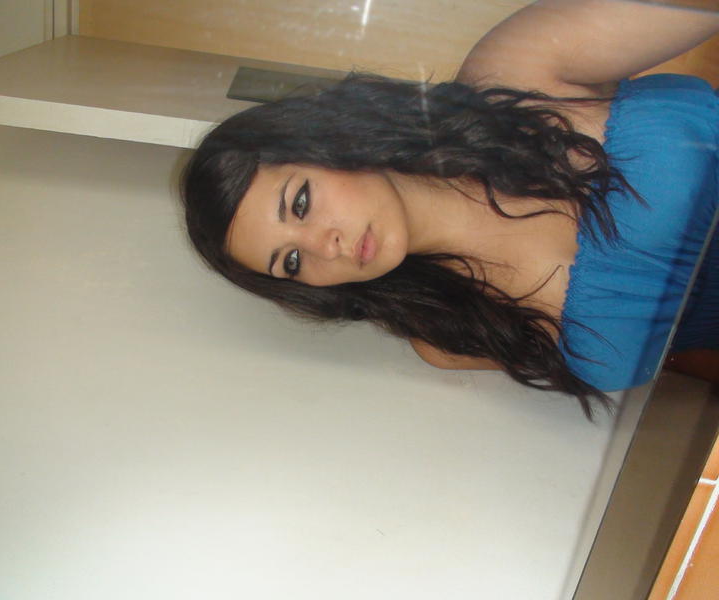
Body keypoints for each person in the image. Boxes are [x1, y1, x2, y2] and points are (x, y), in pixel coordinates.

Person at [182, 0, 719, 417]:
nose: (327, 246)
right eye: (292, 262)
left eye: (300, 203)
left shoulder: (513, 70)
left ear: (327, 142)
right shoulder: (451, 336)